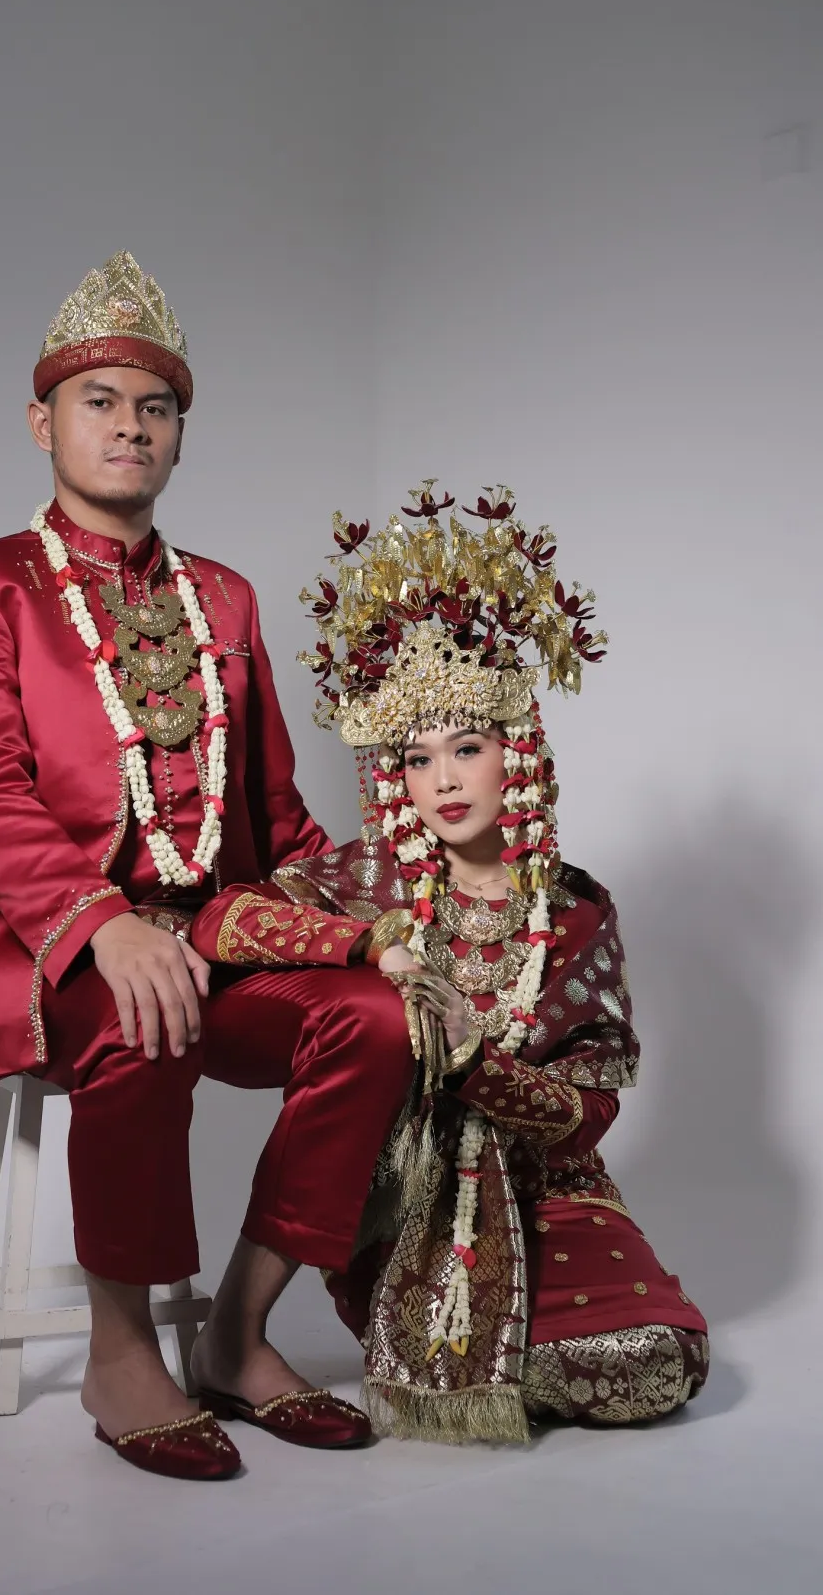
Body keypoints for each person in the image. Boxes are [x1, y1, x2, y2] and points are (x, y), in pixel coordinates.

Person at [0, 252, 416, 1479]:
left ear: (180, 435)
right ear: (43, 422)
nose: (130, 426)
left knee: (375, 1019)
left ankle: (238, 1333)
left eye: (155, 407)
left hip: (220, 936)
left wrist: (385, 909)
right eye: (100, 402)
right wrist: (105, 924)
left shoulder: (224, 598)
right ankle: (123, 1351)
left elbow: (277, 815)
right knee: (141, 1014)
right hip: (54, 949)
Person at [187, 481, 709, 1441]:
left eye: (466, 748)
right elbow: (222, 920)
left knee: (653, 1363)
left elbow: (590, 1108)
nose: (444, 781)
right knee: (497, 1354)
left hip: (549, 1188)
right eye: (417, 759)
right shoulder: (370, 878)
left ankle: (514, 1364)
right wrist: (367, 943)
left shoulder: (575, 911)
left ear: (518, 754)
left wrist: (476, 1064)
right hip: (410, 1193)